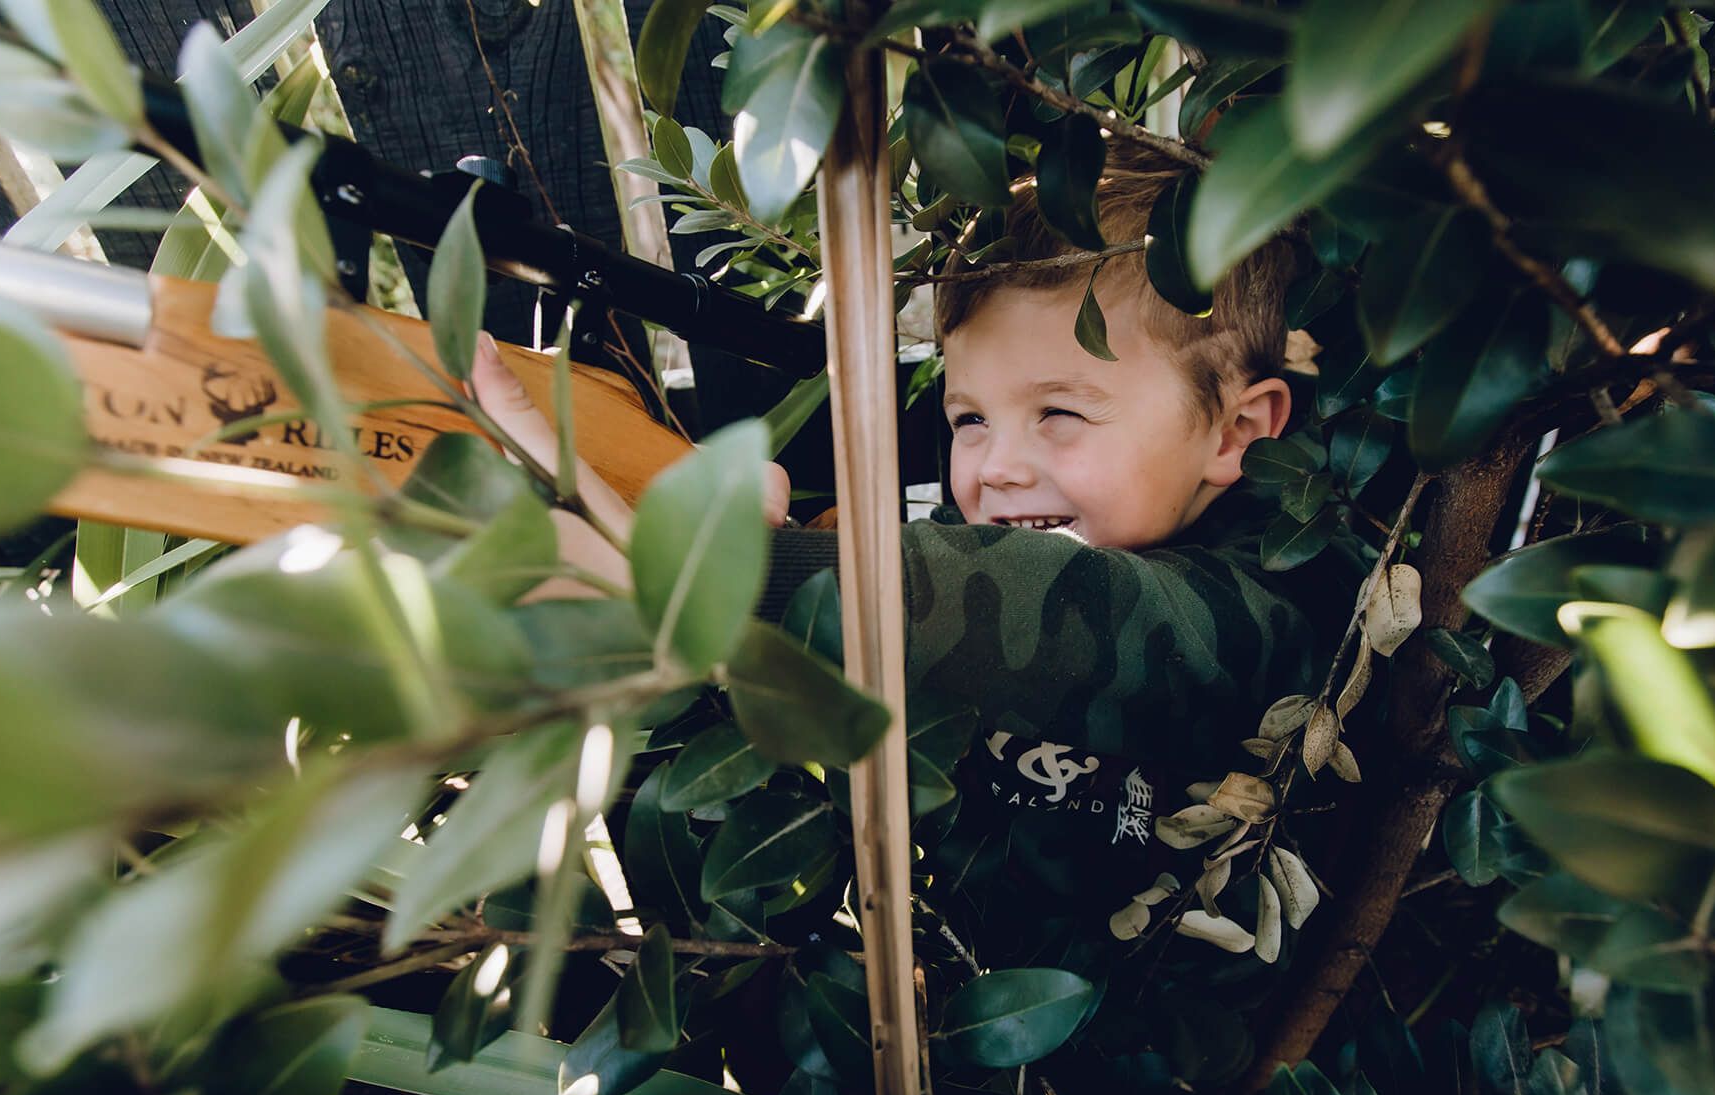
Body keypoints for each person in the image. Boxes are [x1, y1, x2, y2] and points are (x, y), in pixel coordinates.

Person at [469, 144, 1366, 961]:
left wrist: (730, 578)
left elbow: (1043, 611)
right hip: (991, 1016)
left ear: (1236, 429)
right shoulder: (1052, 526)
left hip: (1188, 1067)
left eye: (1060, 412)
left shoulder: (1270, 600)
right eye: (969, 418)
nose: (998, 466)